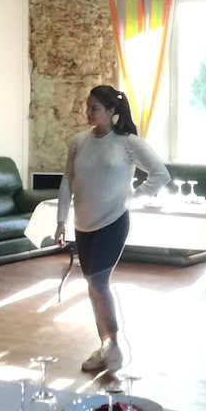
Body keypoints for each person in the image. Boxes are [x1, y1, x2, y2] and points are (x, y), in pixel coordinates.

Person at [54, 85, 170, 373]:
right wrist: (61, 220)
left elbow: (161, 174)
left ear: (111, 111)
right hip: (83, 223)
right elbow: (68, 181)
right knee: (92, 287)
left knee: (98, 283)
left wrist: (134, 196)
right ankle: (105, 344)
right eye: (87, 106)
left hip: (113, 221)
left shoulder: (127, 143)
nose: (88, 112)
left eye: (94, 108)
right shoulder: (79, 141)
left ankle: (114, 344)